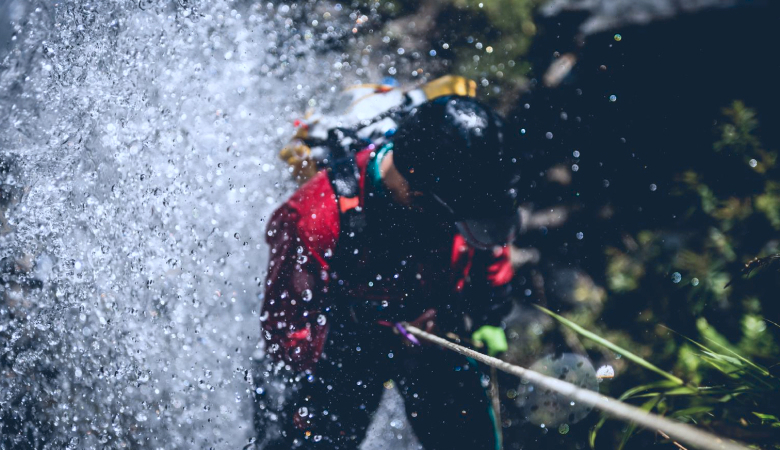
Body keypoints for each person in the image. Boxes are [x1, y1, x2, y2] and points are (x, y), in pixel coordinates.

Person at [256, 96, 520, 450]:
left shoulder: (460, 194)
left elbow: (487, 244)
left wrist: (490, 312)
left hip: (437, 331)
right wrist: (371, 333)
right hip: (342, 350)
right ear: (417, 191)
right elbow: (286, 329)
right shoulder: (315, 219)